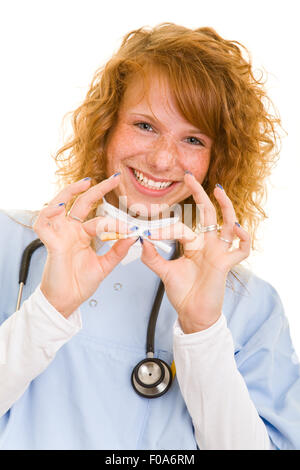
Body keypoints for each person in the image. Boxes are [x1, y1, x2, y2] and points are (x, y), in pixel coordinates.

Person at [0, 23, 299, 450]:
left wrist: (202, 329)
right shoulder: (11, 244)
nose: (162, 159)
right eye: (145, 126)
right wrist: (49, 310)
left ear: (219, 159)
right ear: (106, 126)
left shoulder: (250, 304)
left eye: (193, 138)